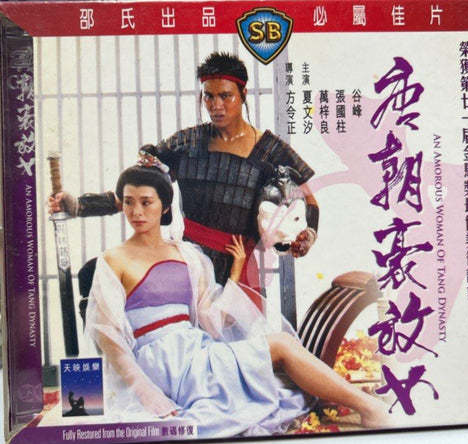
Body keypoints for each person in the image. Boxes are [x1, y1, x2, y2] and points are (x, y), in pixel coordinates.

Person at [84, 159, 388, 438]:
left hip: (197, 352)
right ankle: (369, 406)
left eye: (146, 202)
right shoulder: (113, 259)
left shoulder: (186, 254)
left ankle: (367, 406)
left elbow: (211, 320)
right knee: (280, 355)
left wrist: (235, 272)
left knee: (282, 347)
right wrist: (147, 393)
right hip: (159, 365)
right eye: (129, 202)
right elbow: (108, 337)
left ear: (164, 206)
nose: (136, 211)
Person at [49, 52, 319, 293]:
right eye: (209, 96)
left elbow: (309, 199)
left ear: (243, 94)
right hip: (188, 263)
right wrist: (79, 206)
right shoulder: (186, 143)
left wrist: (308, 235)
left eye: (225, 96)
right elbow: (141, 190)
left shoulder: (270, 150)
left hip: (240, 268)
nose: (216, 105)